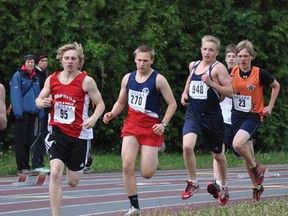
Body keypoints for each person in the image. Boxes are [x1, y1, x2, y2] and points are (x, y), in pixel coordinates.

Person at [103, 45, 177, 215]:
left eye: (145, 60)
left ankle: (158, 148)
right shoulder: (128, 78)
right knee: (127, 166)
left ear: (151, 60)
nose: (142, 64)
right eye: (139, 60)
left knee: (147, 173)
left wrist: (163, 124)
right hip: (131, 125)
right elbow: (121, 102)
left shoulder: (158, 79)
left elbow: (172, 104)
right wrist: (112, 113)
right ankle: (134, 207)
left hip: (151, 128)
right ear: (135, 59)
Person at [35, 42, 105, 216]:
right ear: (61, 60)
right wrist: (41, 102)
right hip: (57, 132)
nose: (70, 61)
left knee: (73, 181)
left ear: (79, 61)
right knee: (56, 173)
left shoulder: (86, 81)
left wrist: (94, 118)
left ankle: (85, 157)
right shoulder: (52, 79)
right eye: (66, 58)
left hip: (80, 135)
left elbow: (101, 104)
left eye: (74, 58)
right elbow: (39, 99)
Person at [180, 35, 233, 206]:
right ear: (201, 49)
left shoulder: (219, 69)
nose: (207, 52)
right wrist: (185, 92)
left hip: (212, 116)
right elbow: (190, 77)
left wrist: (211, 83)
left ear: (217, 52)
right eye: (204, 49)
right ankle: (193, 182)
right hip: (194, 113)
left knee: (218, 155)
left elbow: (230, 92)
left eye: (211, 50)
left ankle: (223, 185)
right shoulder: (193, 65)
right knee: (187, 146)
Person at [230, 39, 280, 202]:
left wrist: (270, 107)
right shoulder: (232, 72)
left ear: (252, 57)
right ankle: (257, 187)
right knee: (246, 155)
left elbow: (276, 86)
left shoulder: (260, 73)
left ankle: (257, 168)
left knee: (237, 144)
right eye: (240, 56)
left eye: (245, 56)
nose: (242, 59)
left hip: (252, 116)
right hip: (236, 116)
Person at [206, 44, 238, 198]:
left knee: (242, 154)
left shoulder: (245, 74)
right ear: (225, 58)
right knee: (218, 150)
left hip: (239, 120)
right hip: (223, 117)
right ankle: (217, 181)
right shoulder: (219, 72)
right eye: (229, 56)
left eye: (234, 56)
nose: (231, 59)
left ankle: (256, 180)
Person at [10, 54, 44, 175]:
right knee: (21, 141)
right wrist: (18, 112)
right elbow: (15, 95)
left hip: (32, 112)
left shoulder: (35, 78)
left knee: (29, 141)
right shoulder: (18, 75)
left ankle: (26, 166)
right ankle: (21, 167)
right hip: (22, 113)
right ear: (24, 63)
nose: (30, 64)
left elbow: (39, 95)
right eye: (28, 62)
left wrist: (40, 111)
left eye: (32, 62)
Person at [31, 52, 50, 174]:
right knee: (37, 136)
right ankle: (36, 163)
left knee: (44, 135)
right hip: (37, 110)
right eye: (42, 61)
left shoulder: (47, 75)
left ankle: (41, 162)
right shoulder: (34, 75)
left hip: (47, 110)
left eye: (46, 61)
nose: (44, 63)